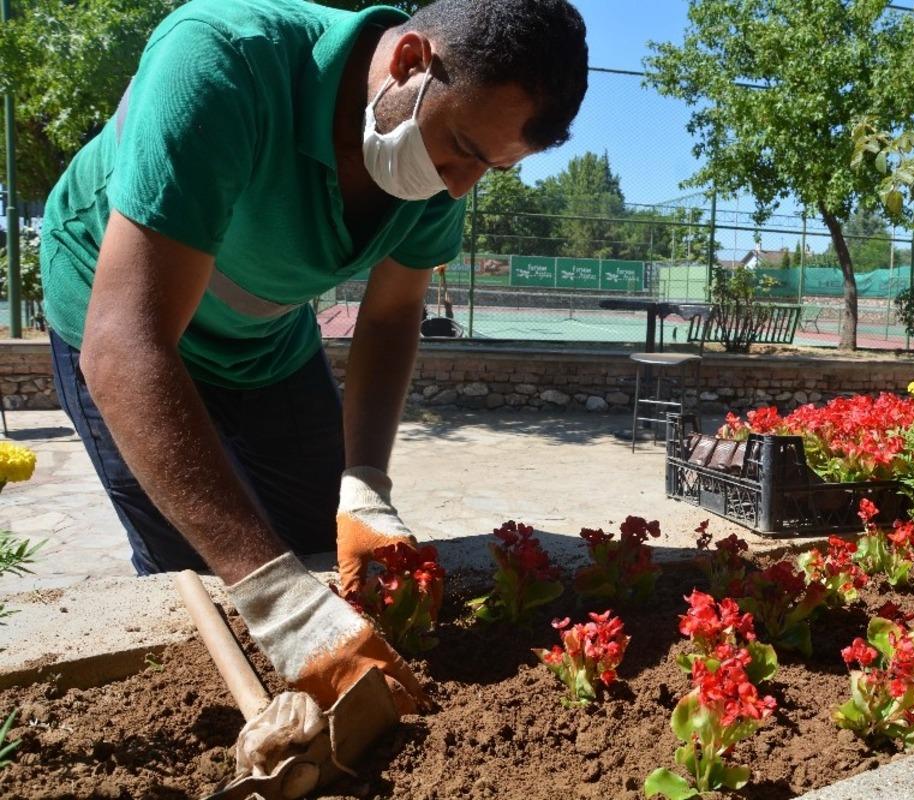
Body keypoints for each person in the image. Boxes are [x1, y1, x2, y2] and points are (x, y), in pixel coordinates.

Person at [38, 0, 587, 715]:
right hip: (119, 324)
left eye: (493, 167)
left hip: (265, 342)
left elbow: (390, 316)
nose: (460, 187)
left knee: (322, 554)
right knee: (205, 577)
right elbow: (124, 348)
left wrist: (365, 484)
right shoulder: (220, 63)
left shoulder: (432, 155)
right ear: (410, 64)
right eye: (464, 150)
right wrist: (275, 600)